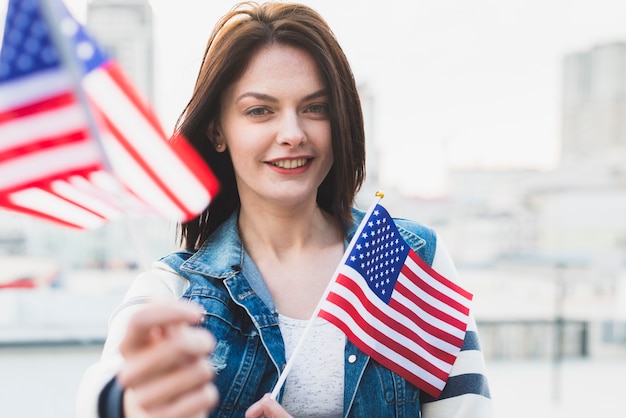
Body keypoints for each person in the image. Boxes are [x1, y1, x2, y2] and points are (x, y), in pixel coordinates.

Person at [76, 2, 493, 417]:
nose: (292, 134)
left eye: (315, 108)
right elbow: (101, 394)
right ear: (218, 131)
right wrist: (128, 403)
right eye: (260, 111)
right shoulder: (175, 291)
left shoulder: (408, 256)